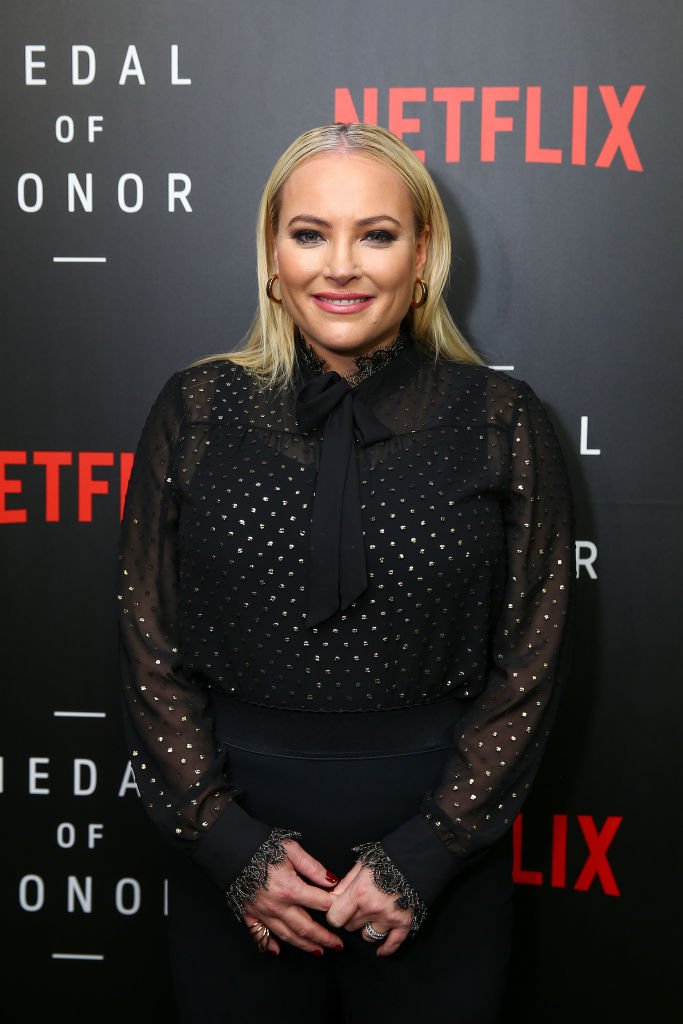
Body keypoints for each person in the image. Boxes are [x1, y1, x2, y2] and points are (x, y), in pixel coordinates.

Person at [117, 121, 573, 1023]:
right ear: (272, 253)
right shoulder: (196, 410)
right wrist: (225, 845)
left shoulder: (500, 419)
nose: (341, 266)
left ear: (422, 253)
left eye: (375, 233)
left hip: (440, 850)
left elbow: (533, 655)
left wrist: (433, 849)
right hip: (231, 848)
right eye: (309, 232)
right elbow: (146, 641)